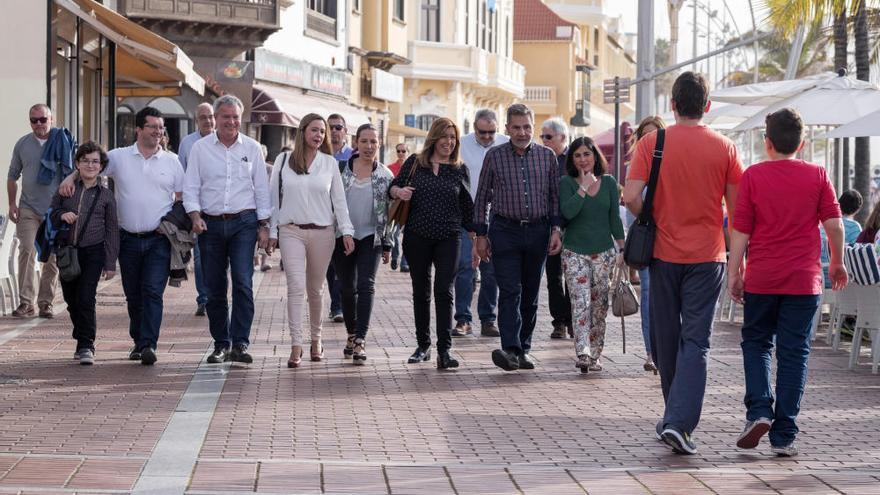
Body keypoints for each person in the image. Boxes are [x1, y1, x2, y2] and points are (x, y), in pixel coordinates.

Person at [623, 72, 743, 455]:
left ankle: (674, 418)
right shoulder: (725, 148)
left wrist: (650, 217)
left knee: (665, 340)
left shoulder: (651, 143)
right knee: (696, 341)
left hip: (661, 253)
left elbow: (629, 198)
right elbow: (735, 212)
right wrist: (739, 263)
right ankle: (678, 421)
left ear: (672, 104)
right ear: (707, 106)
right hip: (707, 257)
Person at [727, 108, 847, 457]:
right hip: (803, 281)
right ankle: (784, 436)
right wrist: (837, 262)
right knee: (794, 355)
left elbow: (741, 231)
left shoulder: (753, 176)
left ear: (767, 143)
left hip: (763, 278)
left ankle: (760, 409)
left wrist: (735, 272)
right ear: (802, 143)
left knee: (757, 344)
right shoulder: (818, 175)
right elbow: (836, 225)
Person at [60, 106, 185, 365]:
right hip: (127, 238)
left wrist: (170, 223)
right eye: (152, 127)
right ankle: (139, 341)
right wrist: (72, 176)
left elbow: (182, 199)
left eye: (161, 128)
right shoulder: (119, 157)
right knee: (133, 293)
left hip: (159, 239)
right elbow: (92, 165)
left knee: (152, 291)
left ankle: (148, 343)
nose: (158, 132)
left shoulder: (172, 161)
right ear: (138, 129)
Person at [473, 103, 562, 372]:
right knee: (510, 290)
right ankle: (510, 349)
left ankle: (524, 349)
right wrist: (480, 235)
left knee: (531, 294)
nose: (522, 132)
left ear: (533, 127)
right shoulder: (495, 156)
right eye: (516, 127)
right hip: (505, 231)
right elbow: (482, 198)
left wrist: (557, 230)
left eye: (526, 127)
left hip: (538, 231)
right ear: (507, 129)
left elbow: (554, 198)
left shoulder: (547, 157)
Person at [184, 95, 271, 365]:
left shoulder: (253, 148)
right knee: (214, 287)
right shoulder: (200, 148)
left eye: (235, 117)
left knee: (244, 283)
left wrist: (264, 225)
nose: (231, 121)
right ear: (216, 118)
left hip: (244, 222)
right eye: (226, 117)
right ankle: (221, 343)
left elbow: (262, 190)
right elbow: (191, 187)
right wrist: (195, 216)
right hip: (209, 224)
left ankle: (240, 343)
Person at [268, 113, 354, 368]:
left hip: (323, 232)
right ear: (303, 131)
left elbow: (339, 201)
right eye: (315, 130)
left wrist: (346, 231)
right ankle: (296, 345)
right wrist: (272, 232)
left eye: (323, 132)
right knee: (295, 287)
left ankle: (316, 340)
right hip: (290, 230)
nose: (319, 135)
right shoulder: (284, 160)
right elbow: (273, 200)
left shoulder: (329, 163)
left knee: (315, 290)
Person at [389, 117, 475, 370]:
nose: (449, 142)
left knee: (444, 291)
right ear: (434, 138)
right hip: (417, 235)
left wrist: (477, 239)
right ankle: (423, 346)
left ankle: (444, 350)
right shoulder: (416, 163)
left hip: (449, 237)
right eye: (444, 136)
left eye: (453, 138)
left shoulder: (460, 168)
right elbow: (393, 187)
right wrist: (399, 192)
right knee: (421, 292)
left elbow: (467, 209)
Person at [559, 136, 625, 373]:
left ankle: (596, 353)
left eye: (587, 154)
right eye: (577, 155)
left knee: (599, 306)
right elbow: (567, 213)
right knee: (580, 302)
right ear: (572, 159)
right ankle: (583, 352)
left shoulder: (608, 183)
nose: (583, 159)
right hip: (574, 253)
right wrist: (584, 187)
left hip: (603, 254)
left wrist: (623, 248)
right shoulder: (567, 183)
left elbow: (614, 220)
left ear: (595, 156)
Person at [50, 141, 118, 365]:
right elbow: (51, 212)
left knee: (86, 297)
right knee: (71, 299)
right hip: (68, 252)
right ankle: (81, 334)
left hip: (94, 252)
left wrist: (110, 263)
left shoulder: (107, 195)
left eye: (95, 161)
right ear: (77, 163)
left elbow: (112, 230)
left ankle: (86, 344)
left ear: (101, 166)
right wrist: (61, 214)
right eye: (85, 160)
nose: (90, 165)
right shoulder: (66, 189)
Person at [333, 124, 394, 364]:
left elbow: (390, 213)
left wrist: (388, 244)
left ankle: (360, 340)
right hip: (342, 236)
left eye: (374, 142)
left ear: (379, 145)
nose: (369, 147)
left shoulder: (385, 175)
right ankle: (351, 333)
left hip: (372, 237)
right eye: (365, 141)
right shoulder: (340, 171)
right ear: (356, 142)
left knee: (366, 285)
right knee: (347, 287)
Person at [7, 103, 67, 319]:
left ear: (51, 119)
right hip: (28, 208)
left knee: (50, 257)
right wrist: (12, 204)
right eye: (34, 120)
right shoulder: (22, 144)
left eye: (43, 119)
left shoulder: (62, 142)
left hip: (54, 210)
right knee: (27, 250)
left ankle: (45, 302)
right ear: (30, 121)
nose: (39, 124)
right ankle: (26, 302)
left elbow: (72, 172)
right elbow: (13, 176)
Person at [453, 109, 507, 338]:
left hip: (496, 215)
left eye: (491, 132)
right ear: (473, 127)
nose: (486, 136)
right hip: (466, 215)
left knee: (491, 270)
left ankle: (488, 318)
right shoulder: (462, 145)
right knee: (465, 267)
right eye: (482, 132)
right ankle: (463, 319)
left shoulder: (506, 144)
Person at [625, 116, 666, 374]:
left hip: (672, 240)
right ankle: (652, 352)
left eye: (655, 136)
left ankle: (667, 349)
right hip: (648, 240)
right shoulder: (636, 167)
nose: (650, 141)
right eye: (646, 137)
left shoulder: (671, 163)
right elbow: (630, 207)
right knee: (649, 294)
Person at [178, 102, 215, 317]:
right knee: (200, 257)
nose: (208, 121)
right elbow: (183, 175)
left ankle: (217, 296)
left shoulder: (223, 141)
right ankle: (204, 298)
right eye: (203, 117)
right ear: (196, 120)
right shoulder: (188, 143)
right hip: (196, 210)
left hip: (219, 209)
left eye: (210, 116)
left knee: (220, 259)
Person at [540, 117, 572, 339]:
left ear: (562, 137)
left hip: (573, 226)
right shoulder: (542, 159)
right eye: (542, 136)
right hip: (549, 225)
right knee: (553, 276)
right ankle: (559, 321)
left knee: (573, 276)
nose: (544, 141)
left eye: (548, 137)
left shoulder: (574, 158)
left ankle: (571, 319)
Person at [324, 113, 353, 323]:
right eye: (331, 127)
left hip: (346, 218)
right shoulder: (320, 154)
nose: (334, 131)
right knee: (330, 265)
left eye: (338, 127)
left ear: (345, 131)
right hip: (323, 218)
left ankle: (341, 305)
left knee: (344, 264)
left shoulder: (354, 155)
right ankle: (336, 305)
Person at [820, 190, 862, 287]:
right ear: (857, 210)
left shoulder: (824, 223)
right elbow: (856, 256)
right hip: (838, 279)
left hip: (820, 278)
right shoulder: (854, 227)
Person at [388, 143, 409, 272]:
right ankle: (395, 256)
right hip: (395, 206)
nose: (400, 153)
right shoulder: (390, 168)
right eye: (398, 151)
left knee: (407, 237)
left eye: (403, 151)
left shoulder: (413, 168)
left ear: (407, 152)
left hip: (408, 207)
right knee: (394, 235)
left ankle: (404, 263)